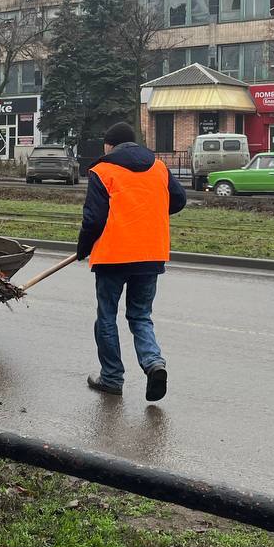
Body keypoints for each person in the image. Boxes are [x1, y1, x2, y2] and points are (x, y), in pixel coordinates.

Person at [77, 122, 186, 402]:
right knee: (140, 316)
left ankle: (112, 378)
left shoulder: (103, 171)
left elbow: (94, 219)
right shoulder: (158, 167)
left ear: (110, 146)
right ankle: (153, 363)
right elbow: (178, 200)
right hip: (151, 253)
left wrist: (83, 248)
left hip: (113, 256)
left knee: (106, 317)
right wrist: (150, 210)